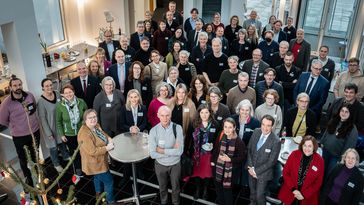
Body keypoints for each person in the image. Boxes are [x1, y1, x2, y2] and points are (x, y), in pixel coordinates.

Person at [0, 76, 40, 186]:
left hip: (35, 132)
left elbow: (34, 108)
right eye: (15, 85)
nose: (18, 87)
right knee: (23, 159)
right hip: (19, 137)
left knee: (35, 154)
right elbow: (3, 121)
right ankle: (29, 180)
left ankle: (39, 175)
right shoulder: (6, 103)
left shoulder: (29, 95)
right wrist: (16, 126)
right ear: (10, 87)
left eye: (19, 85)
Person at [77, 109, 117, 204]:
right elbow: (92, 151)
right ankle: (110, 201)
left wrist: (109, 138)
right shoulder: (84, 134)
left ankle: (98, 193)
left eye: (94, 117)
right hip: (94, 163)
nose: (93, 119)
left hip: (100, 160)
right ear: (85, 120)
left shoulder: (96, 125)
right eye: (90, 118)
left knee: (97, 177)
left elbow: (102, 134)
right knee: (109, 181)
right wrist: (107, 148)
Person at [148, 105, 184, 205]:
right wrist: (172, 152)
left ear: (171, 115)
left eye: (167, 115)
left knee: (176, 187)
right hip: (160, 165)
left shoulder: (178, 128)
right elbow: (152, 154)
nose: (165, 118)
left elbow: (180, 151)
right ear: (158, 115)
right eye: (162, 115)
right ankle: (164, 202)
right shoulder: (153, 131)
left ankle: (176, 203)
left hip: (175, 165)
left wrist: (162, 151)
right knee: (162, 187)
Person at [278, 135, 324, 205]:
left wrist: (304, 194)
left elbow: (318, 183)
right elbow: (286, 172)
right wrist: (293, 189)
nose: (306, 148)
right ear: (301, 145)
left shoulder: (320, 161)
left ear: (314, 147)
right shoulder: (294, 154)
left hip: (307, 197)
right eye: (305, 145)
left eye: (309, 146)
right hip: (290, 191)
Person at [246, 114, 281, 205]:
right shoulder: (256, 132)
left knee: (260, 195)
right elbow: (249, 149)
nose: (265, 128)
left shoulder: (276, 141)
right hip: (251, 169)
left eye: (268, 125)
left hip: (264, 174)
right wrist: (251, 167)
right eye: (263, 124)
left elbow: (271, 162)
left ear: (272, 126)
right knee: (252, 192)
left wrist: (256, 171)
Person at [37, 78, 70, 173]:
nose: (49, 87)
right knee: (54, 148)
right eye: (46, 86)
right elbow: (42, 119)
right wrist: (48, 133)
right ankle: (56, 164)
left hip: (60, 125)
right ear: (43, 88)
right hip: (50, 128)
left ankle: (66, 156)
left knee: (62, 143)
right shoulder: (41, 102)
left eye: (51, 85)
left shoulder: (57, 93)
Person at [211, 118, 245, 205]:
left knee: (227, 192)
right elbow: (216, 149)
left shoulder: (238, 142)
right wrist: (213, 162)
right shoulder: (221, 135)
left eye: (230, 127)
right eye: (225, 127)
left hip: (230, 172)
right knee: (218, 189)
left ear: (234, 128)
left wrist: (230, 159)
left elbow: (242, 157)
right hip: (218, 168)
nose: (227, 129)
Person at [189, 104, 220, 200]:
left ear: (210, 113)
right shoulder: (194, 123)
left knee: (207, 174)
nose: (204, 115)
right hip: (196, 154)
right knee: (197, 173)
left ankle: (206, 190)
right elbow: (190, 139)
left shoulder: (215, 124)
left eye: (206, 112)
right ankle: (198, 189)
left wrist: (213, 147)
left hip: (209, 155)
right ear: (199, 113)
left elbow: (217, 141)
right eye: (202, 112)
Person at [56, 84, 87, 176]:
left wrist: (83, 124)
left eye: (70, 92)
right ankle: (78, 168)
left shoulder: (81, 102)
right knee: (74, 152)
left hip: (81, 132)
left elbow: (86, 116)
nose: (68, 94)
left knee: (84, 150)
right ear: (63, 95)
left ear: (73, 92)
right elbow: (58, 122)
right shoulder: (60, 106)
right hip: (69, 134)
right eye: (66, 93)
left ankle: (86, 166)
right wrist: (62, 134)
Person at [320, 103, 358, 175]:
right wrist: (322, 142)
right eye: (342, 111)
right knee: (321, 170)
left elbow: (349, 146)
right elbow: (326, 132)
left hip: (336, 157)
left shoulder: (352, 128)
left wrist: (342, 159)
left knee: (330, 174)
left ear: (351, 114)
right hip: (325, 150)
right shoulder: (334, 120)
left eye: (346, 112)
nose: (343, 113)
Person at [231, 100, 260, 187]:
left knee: (245, 170)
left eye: (247, 110)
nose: (244, 112)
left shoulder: (256, 123)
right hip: (234, 149)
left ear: (250, 111)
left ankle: (243, 186)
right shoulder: (233, 119)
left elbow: (256, 140)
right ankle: (234, 184)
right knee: (234, 169)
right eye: (242, 109)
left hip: (247, 151)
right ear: (239, 110)